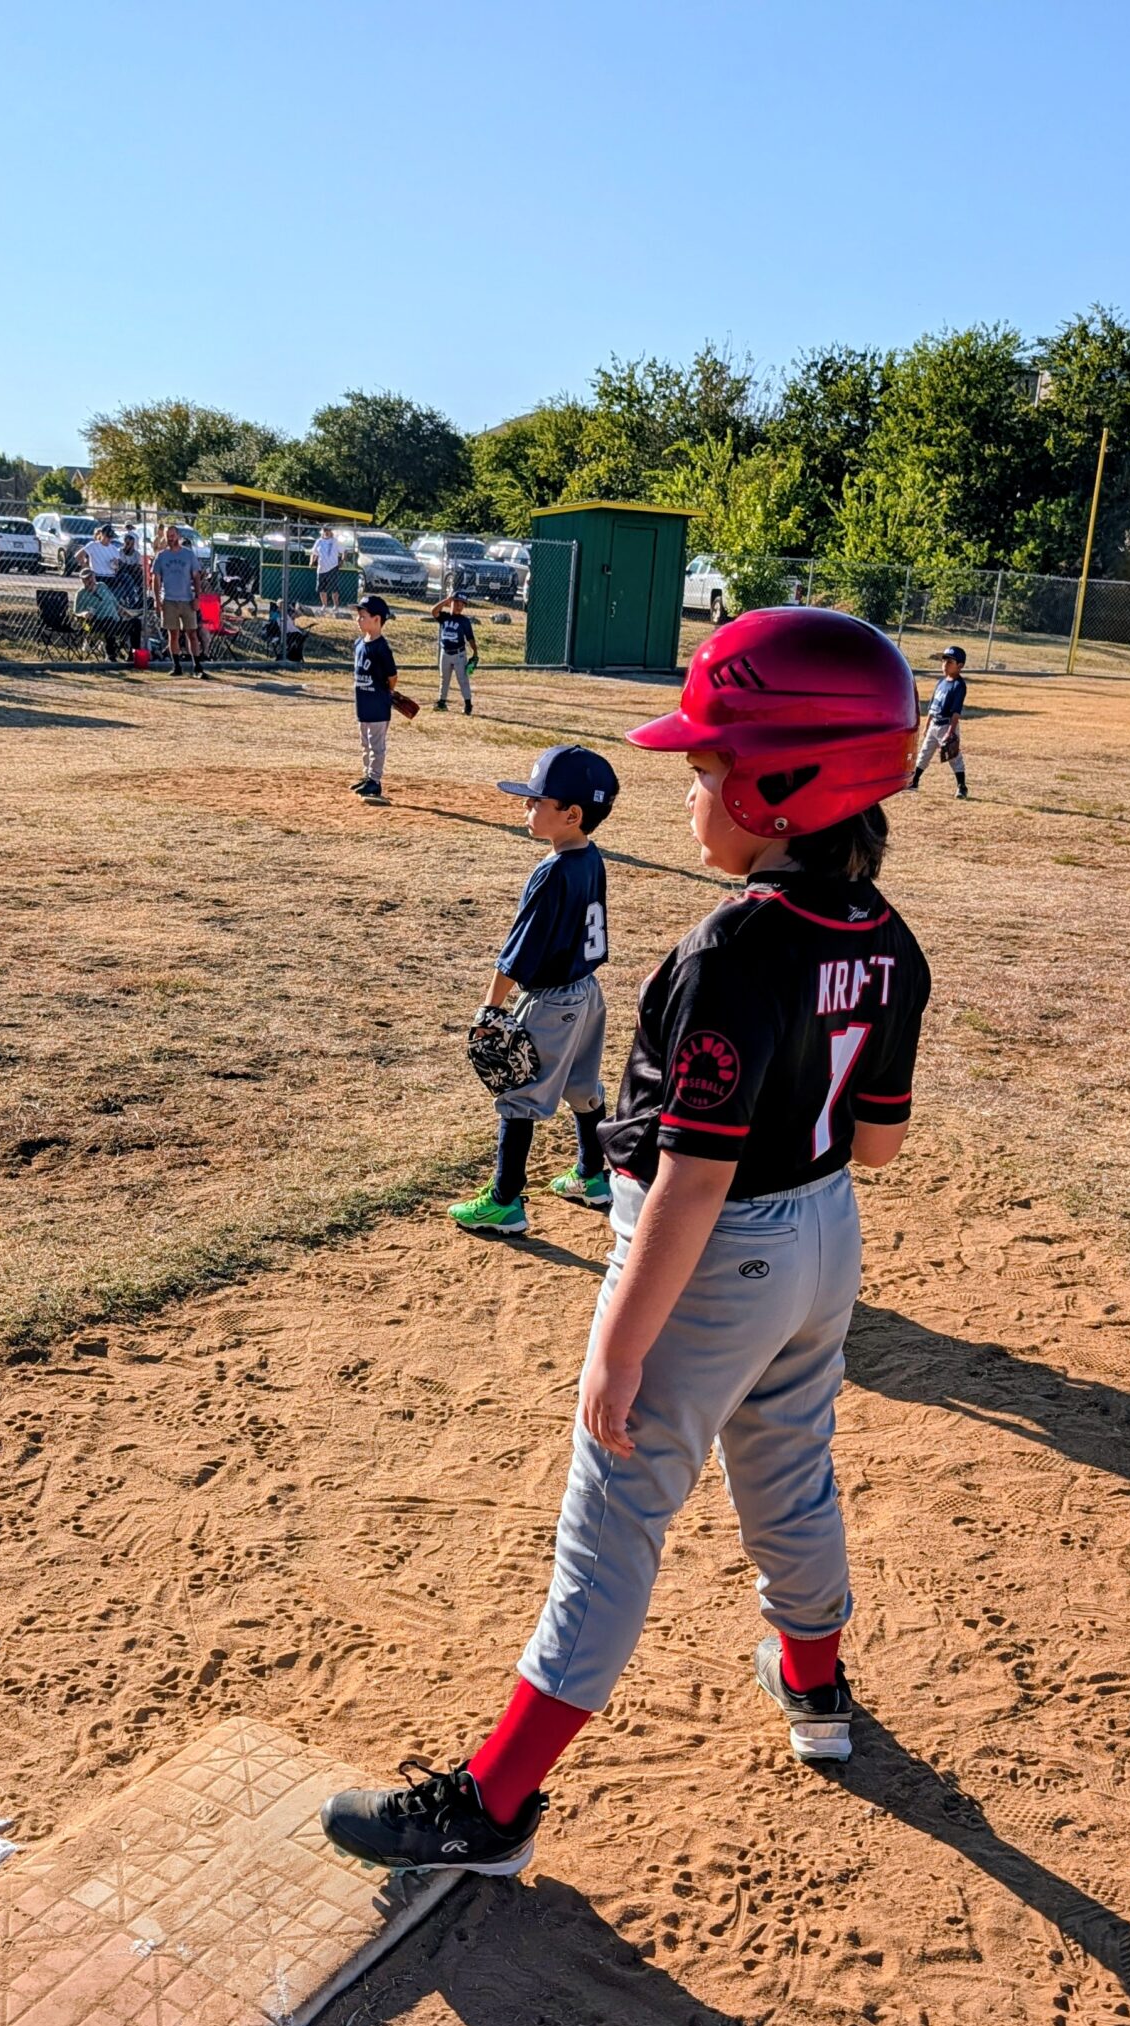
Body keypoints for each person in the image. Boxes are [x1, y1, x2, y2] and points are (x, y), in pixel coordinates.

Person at [322, 608, 931, 1874]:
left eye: (710, 771)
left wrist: (618, 1342)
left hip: (710, 1256)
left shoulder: (731, 946)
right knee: (790, 1473)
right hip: (826, 1234)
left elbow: (694, 1180)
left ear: (786, 783)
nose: (692, 791)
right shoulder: (884, 935)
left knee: (613, 1516)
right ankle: (812, 1684)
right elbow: (874, 1146)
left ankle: (490, 1806)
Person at [449, 746, 616, 1238]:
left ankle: (504, 1202)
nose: (527, 808)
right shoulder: (590, 857)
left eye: (536, 801)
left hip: (553, 1000)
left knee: (519, 1095)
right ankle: (591, 1174)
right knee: (583, 1087)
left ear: (572, 814)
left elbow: (515, 954)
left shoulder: (552, 872)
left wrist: (489, 1008)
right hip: (587, 993)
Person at [352, 594, 398, 800]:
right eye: (359, 616)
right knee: (365, 743)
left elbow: (392, 676)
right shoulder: (359, 644)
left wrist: (388, 692)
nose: (358, 620)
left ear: (377, 619)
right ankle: (367, 775)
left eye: (363, 616)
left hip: (378, 704)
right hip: (363, 704)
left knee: (376, 745)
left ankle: (375, 781)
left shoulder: (382, 647)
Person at [907, 645, 967, 796]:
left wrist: (950, 731)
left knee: (953, 756)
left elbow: (956, 712)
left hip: (946, 725)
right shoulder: (940, 683)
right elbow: (933, 707)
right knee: (924, 753)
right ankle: (914, 782)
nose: (945, 665)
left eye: (950, 662)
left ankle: (962, 786)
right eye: (944, 661)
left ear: (960, 666)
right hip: (934, 725)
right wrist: (927, 726)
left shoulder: (958, 685)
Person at [149, 524, 207, 677]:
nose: (170, 538)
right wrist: (157, 600)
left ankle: (197, 666)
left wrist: (197, 598)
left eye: (173, 535)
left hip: (187, 600)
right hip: (169, 600)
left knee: (192, 633)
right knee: (173, 633)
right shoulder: (161, 556)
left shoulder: (188, 555)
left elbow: (196, 577)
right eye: (168, 535)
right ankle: (176, 666)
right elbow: (156, 579)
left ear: (179, 536)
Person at [433, 589, 478, 712]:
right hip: (445, 653)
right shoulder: (444, 617)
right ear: (451, 603)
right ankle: (442, 702)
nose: (459, 606)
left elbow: (470, 638)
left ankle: (468, 704)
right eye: (457, 602)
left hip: (459, 654)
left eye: (462, 604)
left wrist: (475, 653)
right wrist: (446, 601)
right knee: (444, 678)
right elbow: (434, 611)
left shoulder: (464, 621)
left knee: (462, 679)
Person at [312, 524, 343, 609]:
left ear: (331, 531)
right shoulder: (319, 541)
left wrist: (342, 561)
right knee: (322, 588)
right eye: (325, 530)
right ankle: (324, 605)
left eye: (328, 530)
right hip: (321, 568)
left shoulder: (335, 541)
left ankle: (335, 606)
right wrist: (312, 561)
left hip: (332, 567)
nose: (327, 532)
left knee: (334, 588)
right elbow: (314, 553)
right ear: (323, 531)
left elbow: (344, 551)